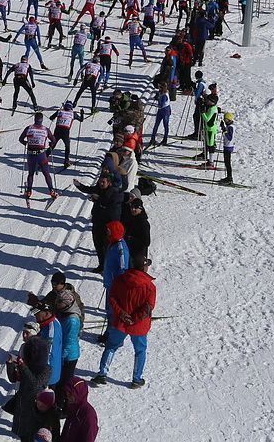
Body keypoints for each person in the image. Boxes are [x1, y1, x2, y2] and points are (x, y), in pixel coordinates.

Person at [92, 255, 155, 389]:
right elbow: (148, 307)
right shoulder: (149, 286)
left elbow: (112, 299)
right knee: (140, 351)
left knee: (111, 347)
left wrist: (121, 313)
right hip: (139, 326)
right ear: (144, 268)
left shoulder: (120, 280)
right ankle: (136, 379)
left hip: (120, 322)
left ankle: (102, 373)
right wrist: (135, 318)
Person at [7, 326, 52, 442]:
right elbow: (13, 378)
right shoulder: (27, 366)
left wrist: (23, 366)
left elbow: (35, 385)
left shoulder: (46, 369)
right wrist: (10, 364)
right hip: (22, 410)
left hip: (35, 414)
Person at [75, 173, 122, 272]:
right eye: (100, 181)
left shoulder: (114, 192)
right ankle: (102, 265)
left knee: (107, 248)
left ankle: (109, 268)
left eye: (103, 182)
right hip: (97, 223)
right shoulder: (98, 189)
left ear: (109, 183)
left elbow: (111, 203)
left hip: (108, 226)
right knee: (98, 246)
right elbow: (88, 189)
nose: (100, 183)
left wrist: (98, 199)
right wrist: (78, 185)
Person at [18, 112, 56, 199]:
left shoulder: (29, 128)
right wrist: (50, 144)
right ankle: (51, 190)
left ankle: (29, 191)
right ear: (42, 120)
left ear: (34, 119)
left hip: (30, 154)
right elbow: (54, 140)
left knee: (31, 173)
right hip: (41, 155)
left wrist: (26, 143)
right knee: (46, 173)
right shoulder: (45, 129)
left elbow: (20, 139)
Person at [58, 376, 97, 442]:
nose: (67, 397)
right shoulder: (73, 407)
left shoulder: (88, 415)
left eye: (70, 394)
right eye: (66, 393)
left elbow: (89, 439)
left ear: (78, 394)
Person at [219, 112, 236, 185]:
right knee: (226, 163)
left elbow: (229, 137)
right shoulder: (229, 126)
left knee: (227, 163)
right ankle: (228, 177)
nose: (224, 120)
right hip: (226, 146)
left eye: (225, 119)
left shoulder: (231, 127)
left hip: (228, 146)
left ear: (229, 119)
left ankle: (230, 178)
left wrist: (224, 130)